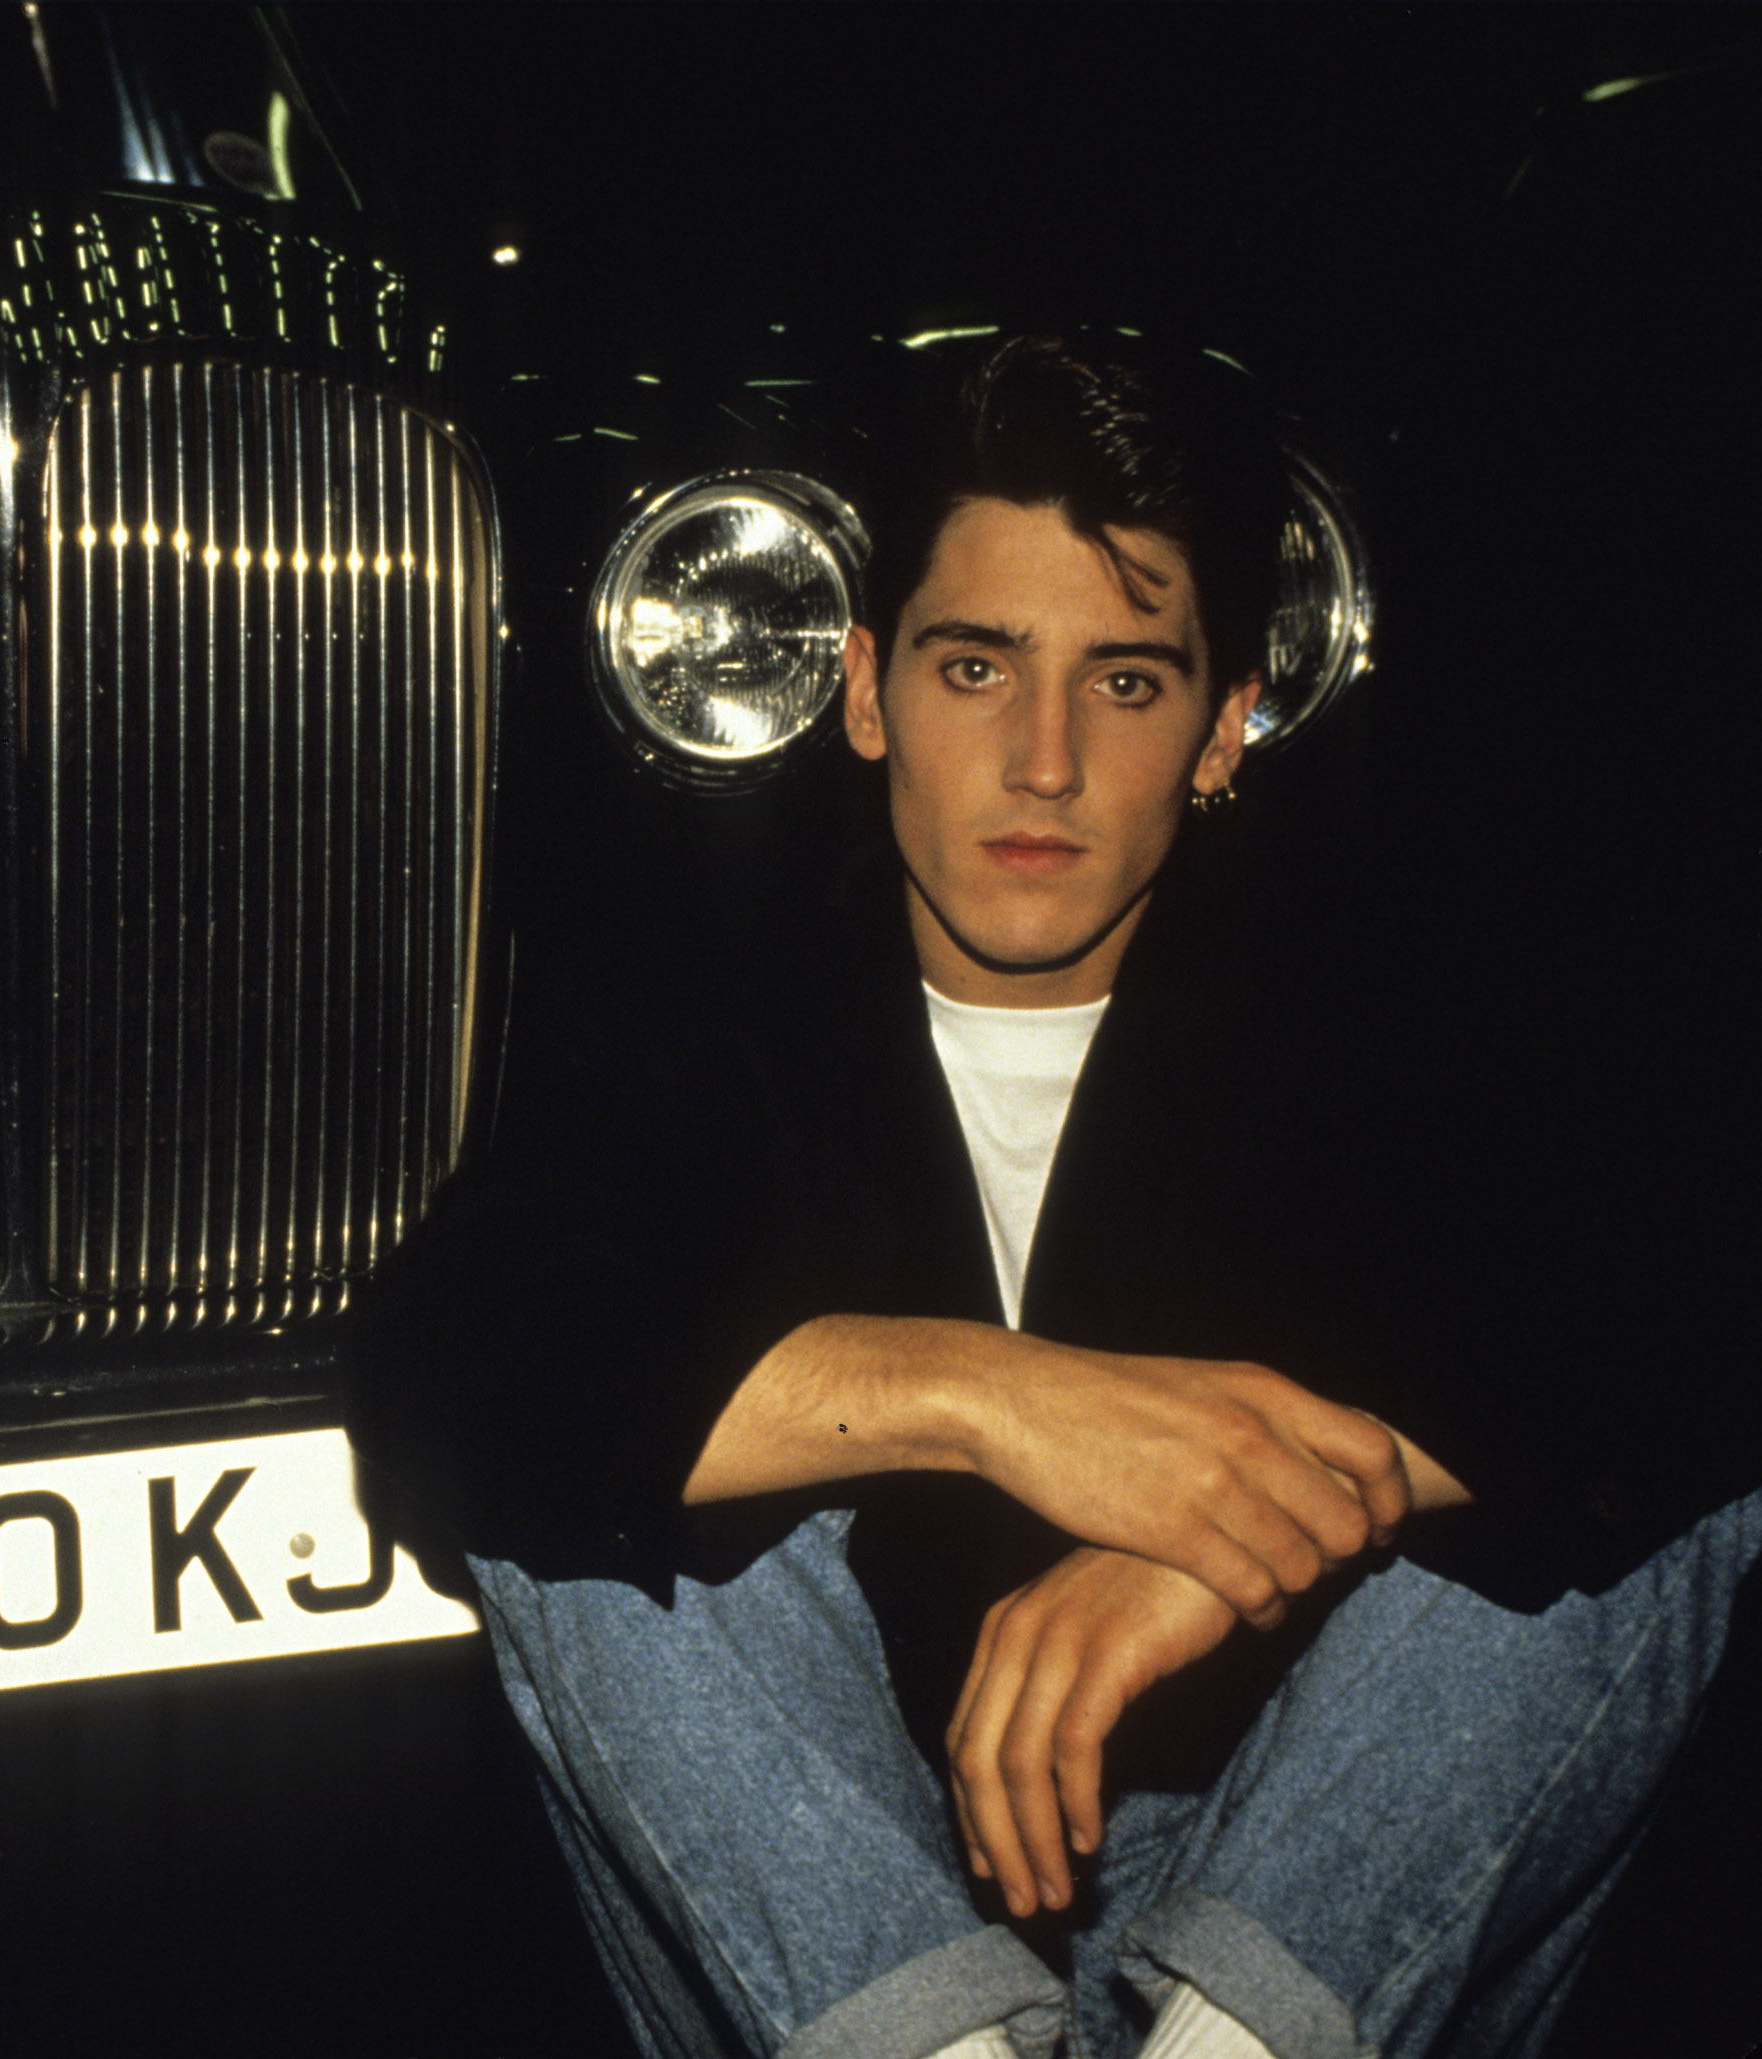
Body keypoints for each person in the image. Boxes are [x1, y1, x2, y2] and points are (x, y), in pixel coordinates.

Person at [350, 332, 1762, 2059]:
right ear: (865, 693)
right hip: (847, 1895)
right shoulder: (710, 1013)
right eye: (976, 668)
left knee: (1643, 1498)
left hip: (1287, 1890)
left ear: (1226, 729)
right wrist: (992, 1400)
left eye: (1127, 684)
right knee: (576, 1489)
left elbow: (1681, 1293)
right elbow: (443, 1365)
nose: (1043, 761)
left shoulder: (1370, 1011)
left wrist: (1219, 1548)